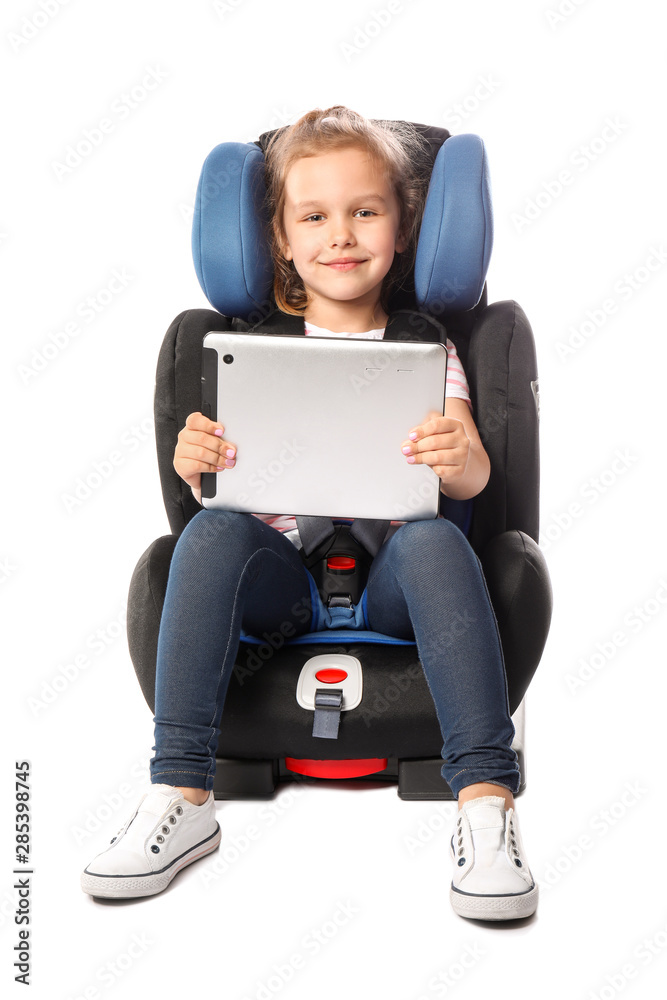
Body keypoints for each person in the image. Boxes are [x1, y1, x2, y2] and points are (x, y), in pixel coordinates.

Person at [81, 106, 538, 921]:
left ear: (400, 228)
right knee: (211, 529)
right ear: (281, 240)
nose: (342, 234)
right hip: (281, 587)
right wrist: (199, 469)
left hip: (397, 580)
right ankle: (180, 794)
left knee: (433, 538)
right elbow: (215, 496)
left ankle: (485, 804)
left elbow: (470, 476)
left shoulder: (429, 346)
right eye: (314, 216)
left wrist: (457, 457)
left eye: (366, 211)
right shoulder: (240, 349)